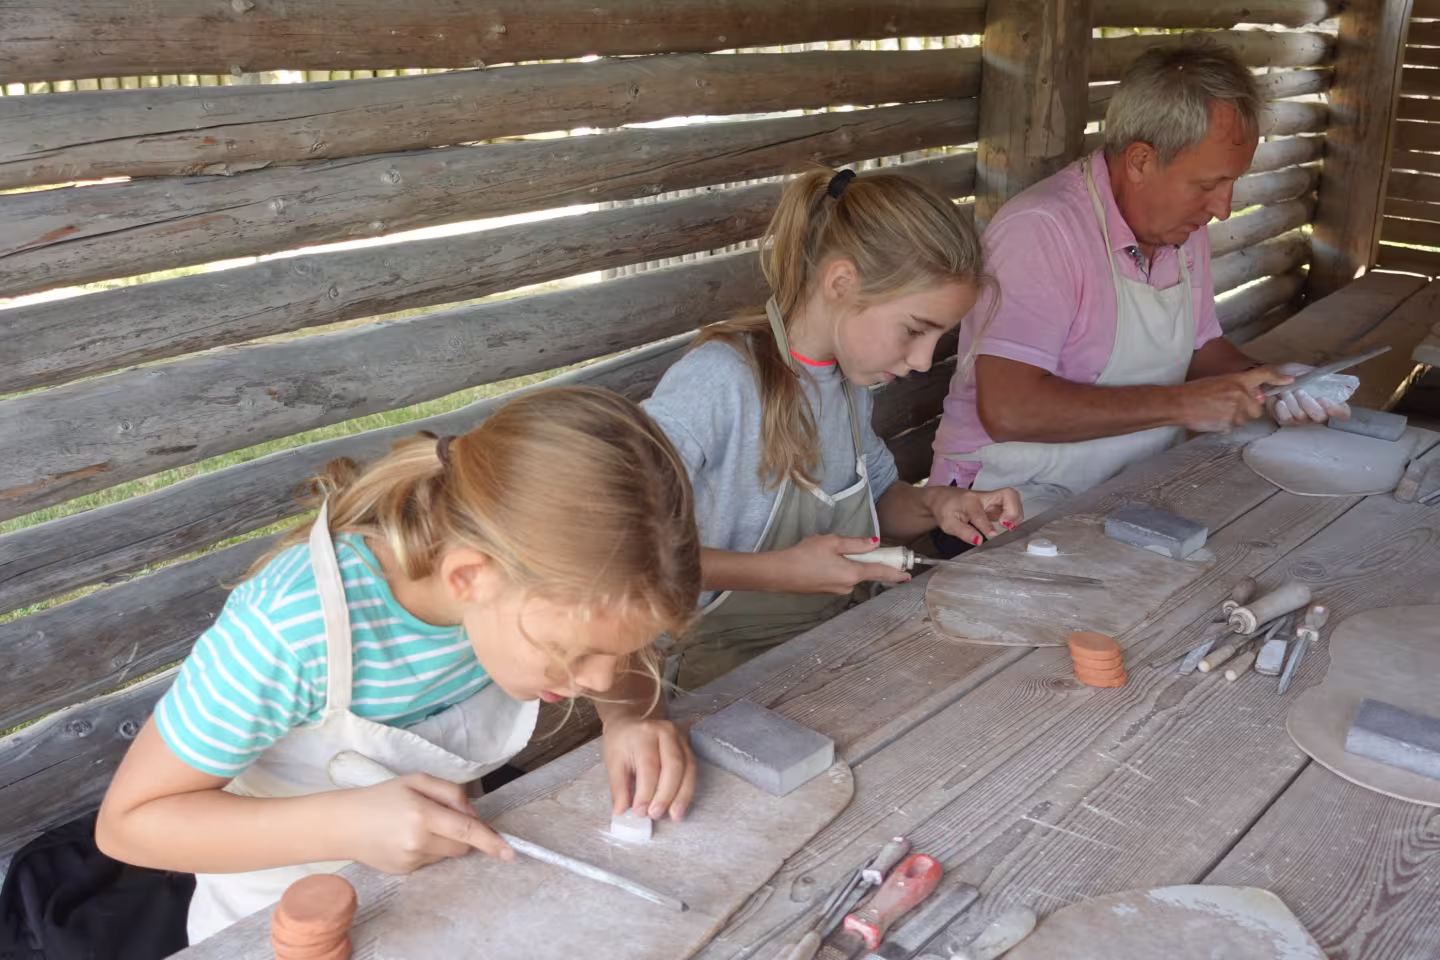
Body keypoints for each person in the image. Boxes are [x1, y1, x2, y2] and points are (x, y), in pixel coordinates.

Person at [95, 387, 703, 943]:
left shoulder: (525, 596)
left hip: (439, 897)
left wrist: (629, 714)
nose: (598, 678)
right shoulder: (292, 630)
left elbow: (613, 656)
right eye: (574, 656)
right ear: (469, 578)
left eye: (622, 650)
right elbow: (129, 824)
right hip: (277, 924)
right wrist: (346, 825)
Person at [929, 40, 1358, 526]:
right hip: (1004, 501)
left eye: (1231, 182)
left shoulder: (1176, 225)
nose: (1223, 208)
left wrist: (1273, 382)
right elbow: (1010, 409)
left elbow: (1197, 347)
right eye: (1207, 184)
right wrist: (1183, 404)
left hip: (1126, 485)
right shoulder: (1041, 231)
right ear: (1139, 161)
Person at [643, 166, 1022, 690]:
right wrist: (783, 571)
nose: (922, 360)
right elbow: (624, 550)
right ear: (842, 283)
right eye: (915, 330)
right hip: (719, 680)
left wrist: (938, 504)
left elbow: (879, 502)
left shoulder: (847, 385)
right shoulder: (719, 381)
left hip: (829, 650)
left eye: (938, 337)